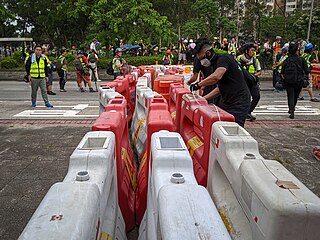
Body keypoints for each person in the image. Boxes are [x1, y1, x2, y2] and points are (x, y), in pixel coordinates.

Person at [190, 38, 251, 127]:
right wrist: (204, 98)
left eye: (202, 58)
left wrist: (198, 85)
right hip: (227, 101)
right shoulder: (215, 65)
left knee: (233, 129)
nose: (201, 62)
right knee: (221, 125)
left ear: (208, 53)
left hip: (239, 101)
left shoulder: (223, 59)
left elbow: (216, 76)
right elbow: (220, 88)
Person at [281, 40, 310, 119]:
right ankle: (292, 108)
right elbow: (307, 70)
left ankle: (291, 109)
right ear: (297, 50)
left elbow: (282, 72)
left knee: (290, 95)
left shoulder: (286, 60)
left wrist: (284, 79)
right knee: (296, 96)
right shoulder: (301, 59)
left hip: (289, 81)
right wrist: (307, 78)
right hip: (299, 81)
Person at [237, 43, 262, 121]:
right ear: (246, 51)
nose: (253, 52)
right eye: (252, 50)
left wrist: (253, 76)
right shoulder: (239, 59)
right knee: (245, 98)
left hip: (253, 82)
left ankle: (249, 112)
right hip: (243, 82)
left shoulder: (255, 60)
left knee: (256, 96)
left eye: (254, 50)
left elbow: (259, 71)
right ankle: (244, 113)